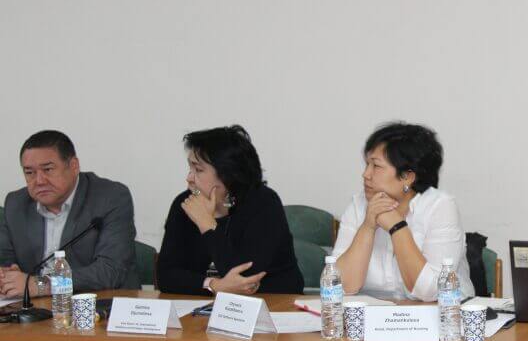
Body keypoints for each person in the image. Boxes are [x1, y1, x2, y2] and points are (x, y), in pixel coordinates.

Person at [332, 122, 474, 302]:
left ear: (407, 177)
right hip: (376, 316)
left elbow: (431, 291)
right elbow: (340, 287)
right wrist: (367, 227)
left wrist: (397, 227)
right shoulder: (358, 205)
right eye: (367, 164)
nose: (366, 174)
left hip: (442, 315)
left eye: (376, 166)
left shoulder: (440, 207)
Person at [157, 125, 303, 296]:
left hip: (273, 303)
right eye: (190, 169)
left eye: (198, 170)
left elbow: (245, 279)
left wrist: (207, 224)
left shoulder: (264, 203)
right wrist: (213, 285)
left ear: (227, 174)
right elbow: (165, 276)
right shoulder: (185, 204)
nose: (189, 178)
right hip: (205, 305)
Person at [0, 130, 139, 297]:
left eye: (48, 169)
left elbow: (110, 271)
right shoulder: (16, 203)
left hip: (96, 304)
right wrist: (6, 275)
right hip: (33, 306)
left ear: (74, 166)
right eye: (30, 172)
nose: (39, 181)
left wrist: (42, 285)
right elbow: (5, 260)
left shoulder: (110, 197)